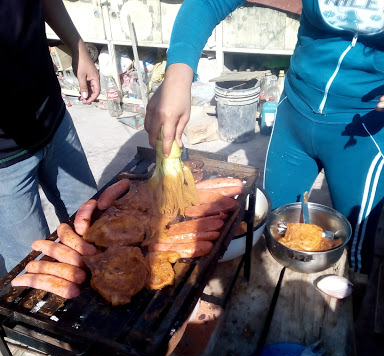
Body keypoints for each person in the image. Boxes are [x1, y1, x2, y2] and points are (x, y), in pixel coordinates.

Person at [145, 0, 384, 274]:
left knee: (355, 256)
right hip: (293, 117)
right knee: (270, 232)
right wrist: (177, 76)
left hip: (364, 134)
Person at [0, 0, 100, 275]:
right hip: (4, 163)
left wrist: (78, 48)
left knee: (98, 227)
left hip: (55, 120)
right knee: (35, 271)